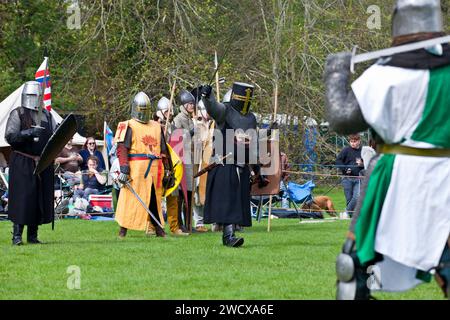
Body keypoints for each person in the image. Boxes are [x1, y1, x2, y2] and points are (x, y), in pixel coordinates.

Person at [325, 0, 450, 299]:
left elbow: (342, 118)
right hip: (445, 176)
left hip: (395, 177)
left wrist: (336, 73)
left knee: (352, 268)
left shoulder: (384, 74)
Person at [200, 82, 258, 247]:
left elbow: (253, 145)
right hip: (224, 165)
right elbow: (213, 108)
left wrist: (256, 169)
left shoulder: (251, 118)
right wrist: (207, 96)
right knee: (228, 202)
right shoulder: (224, 112)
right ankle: (229, 237)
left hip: (241, 165)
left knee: (236, 202)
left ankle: (230, 235)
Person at [5, 81, 57, 245]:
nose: (35, 99)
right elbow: (10, 137)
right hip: (23, 161)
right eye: (32, 95)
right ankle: (17, 236)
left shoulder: (47, 115)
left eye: (38, 96)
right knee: (23, 198)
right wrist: (27, 133)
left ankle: (33, 236)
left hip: (42, 162)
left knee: (38, 198)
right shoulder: (18, 113)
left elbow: (54, 136)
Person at [114, 91, 167, 238]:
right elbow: (122, 148)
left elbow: (163, 149)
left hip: (154, 169)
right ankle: (123, 229)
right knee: (129, 199)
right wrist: (124, 167)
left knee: (154, 199)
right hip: (135, 169)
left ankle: (158, 228)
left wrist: (168, 168)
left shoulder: (156, 126)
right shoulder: (127, 125)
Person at [155, 96, 189, 236]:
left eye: (170, 111)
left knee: (173, 196)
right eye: (166, 111)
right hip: (157, 165)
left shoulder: (172, 126)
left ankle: (174, 228)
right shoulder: (153, 126)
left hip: (169, 165)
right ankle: (151, 227)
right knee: (155, 197)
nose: (169, 113)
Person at [173, 90, 196, 232]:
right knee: (181, 194)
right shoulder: (178, 119)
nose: (192, 106)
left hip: (190, 158)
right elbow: (176, 139)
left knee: (189, 193)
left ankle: (188, 224)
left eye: (193, 103)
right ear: (184, 105)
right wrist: (190, 133)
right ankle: (180, 224)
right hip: (180, 159)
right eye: (190, 103)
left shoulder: (190, 119)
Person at [335, 133, 363, 218]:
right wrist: (345, 169)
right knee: (349, 198)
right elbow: (338, 162)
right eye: (351, 141)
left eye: (355, 141)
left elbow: (369, 163)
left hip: (358, 178)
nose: (353, 143)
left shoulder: (363, 151)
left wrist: (362, 164)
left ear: (359, 141)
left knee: (357, 196)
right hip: (347, 178)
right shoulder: (346, 150)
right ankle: (350, 215)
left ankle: (346, 213)